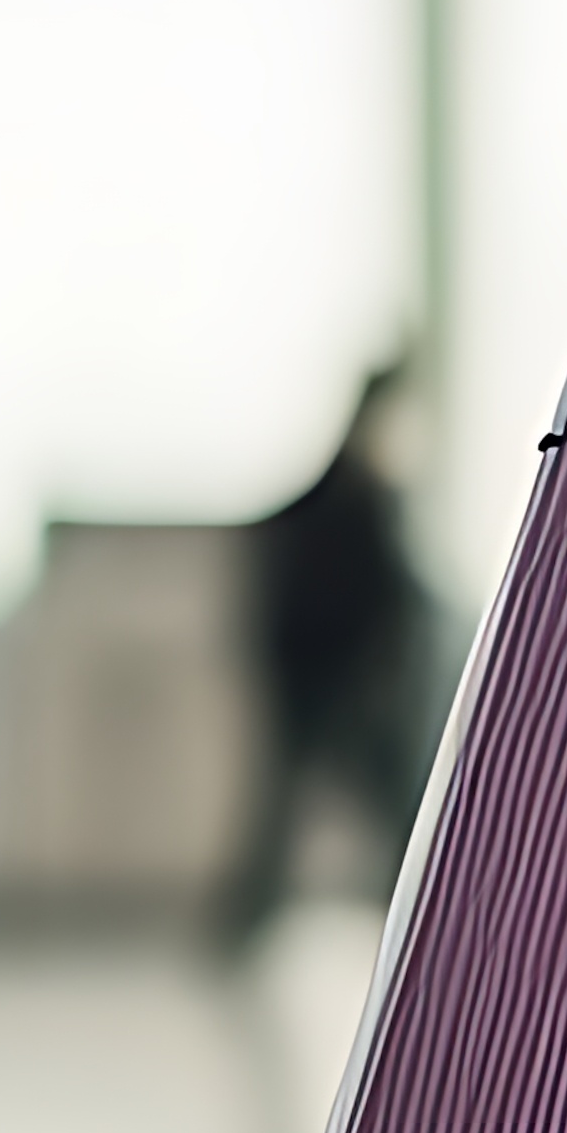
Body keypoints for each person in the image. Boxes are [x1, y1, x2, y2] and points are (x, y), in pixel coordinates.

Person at [221, 352, 442, 950]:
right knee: (314, 799)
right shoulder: (352, 492)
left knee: (354, 796)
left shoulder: (362, 490)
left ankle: (417, 913)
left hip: (343, 672)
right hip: (325, 672)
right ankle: (418, 913)